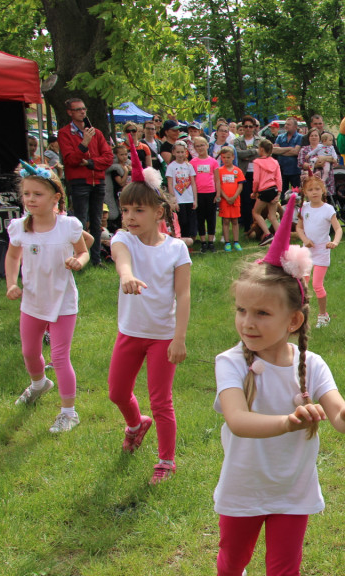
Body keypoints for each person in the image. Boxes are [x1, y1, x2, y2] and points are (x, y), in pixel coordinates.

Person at [209, 203, 345, 576]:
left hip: (291, 492)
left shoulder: (314, 365)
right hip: (243, 487)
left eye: (261, 312)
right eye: (241, 310)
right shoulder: (231, 362)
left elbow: (340, 420)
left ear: (292, 320)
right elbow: (239, 420)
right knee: (231, 562)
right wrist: (288, 421)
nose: (247, 322)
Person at [109, 144, 192, 485]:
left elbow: (183, 294)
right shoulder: (122, 240)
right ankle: (135, 424)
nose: (129, 216)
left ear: (159, 212)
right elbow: (122, 261)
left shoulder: (176, 248)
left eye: (138, 210)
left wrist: (178, 338)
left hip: (162, 336)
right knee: (117, 392)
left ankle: (166, 460)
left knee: (161, 400)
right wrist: (126, 277)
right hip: (130, 331)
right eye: (125, 209)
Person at [4, 163, 89, 433]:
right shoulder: (19, 227)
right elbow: (12, 256)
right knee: (30, 353)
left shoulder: (68, 226)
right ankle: (39, 384)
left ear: (55, 197)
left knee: (60, 356)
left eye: (37, 194)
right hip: (32, 302)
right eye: (26, 194)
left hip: (63, 303)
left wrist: (79, 261)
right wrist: (11, 283)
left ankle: (68, 412)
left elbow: (84, 251)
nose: (30, 199)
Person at [58, 97, 114, 266]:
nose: (82, 112)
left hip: (97, 181)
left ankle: (96, 259)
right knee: (80, 221)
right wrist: (84, 144)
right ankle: (79, 258)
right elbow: (70, 160)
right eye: (78, 109)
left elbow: (108, 157)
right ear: (70, 112)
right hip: (79, 181)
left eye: (84, 109)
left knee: (97, 221)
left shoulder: (96, 132)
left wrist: (90, 163)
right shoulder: (64, 133)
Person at [294, 174, 343, 329]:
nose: (314, 192)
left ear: (323, 190)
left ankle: (323, 315)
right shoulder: (304, 208)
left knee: (317, 284)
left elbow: (338, 228)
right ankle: (301, 315)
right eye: (310, 190)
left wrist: (334, 242)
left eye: (317, 189)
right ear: (305, 192)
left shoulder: (328, 209)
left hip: (322, 251)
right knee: (303, 284)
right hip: (307, 252)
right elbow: (299, 228)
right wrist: (305, 239)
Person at [233, 115, 262, 236]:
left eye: (251, 126)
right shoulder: (237, 141)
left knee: (256, 200)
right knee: (245, 200)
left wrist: (247, 156)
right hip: (243, 174)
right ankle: (246, 226)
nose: (249, 129)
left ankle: (257, 226)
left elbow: (259, 154)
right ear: (242, 127)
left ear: (255, 127)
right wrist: (253, 152)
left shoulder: (260, 140)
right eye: (246, 126)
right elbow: (238, 154)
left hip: (257, 173)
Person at [165, 141, 199, 248]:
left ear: (186, 153)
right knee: (182, 222)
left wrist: (195, 200)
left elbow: (193, 183)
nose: (180, 154)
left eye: (182, 152)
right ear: (174, 153)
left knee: (191, 222)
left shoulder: (189, 166)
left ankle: (190, 242)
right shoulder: (171, 167)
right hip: (179, 200)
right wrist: (173, 201)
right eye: (178, 152)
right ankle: (182, 244)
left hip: (189, 199)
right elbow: (170, 184)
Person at [191, 137, 220, 253]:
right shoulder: (193, 162)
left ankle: (211, 241)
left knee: (211, 218)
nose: (200, 148)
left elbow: (217, 179)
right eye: (197, 146)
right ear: (194, 148)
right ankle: (203, 242)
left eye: (202, 145)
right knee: (200, 218)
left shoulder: (213, 161)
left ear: (207, 145)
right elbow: (192, 180)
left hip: (211, 193)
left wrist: (218, 193)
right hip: (198, 193)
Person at [251, 139, 282, 244]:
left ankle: (267, 234)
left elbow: (256, 180)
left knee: (256, 212)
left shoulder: (257, 162)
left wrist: (254, 192)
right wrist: (279, 193)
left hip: (264, 190)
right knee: (272, 216)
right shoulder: (275, 162)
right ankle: (281, 238)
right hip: (274, 189)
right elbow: (279, 178)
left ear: (262, 149)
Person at [217, 146, 245, 252]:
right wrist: (225, 197)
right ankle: (227, 242)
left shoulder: (237, 171)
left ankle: (236, 242)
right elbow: (219, 185)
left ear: (233, 157)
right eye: (224, 157)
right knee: (225, 220)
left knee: (235, 220)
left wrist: (234, 197)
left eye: (228, 157)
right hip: (225, 200)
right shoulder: (219, 171)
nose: (226, 159)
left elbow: (240, 186)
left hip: (235, 200)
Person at [273, 116, 304, 189]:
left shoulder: (300, 137)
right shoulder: (280, 137)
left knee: (296, 193)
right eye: (286, 124)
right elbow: (275, 151)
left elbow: (296, 152)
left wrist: (281, 151)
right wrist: (289, 149)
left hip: (295, 170)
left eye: (289, 124)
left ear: (295, 127)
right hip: (282, 170)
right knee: (282, 193)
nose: (286, 126)